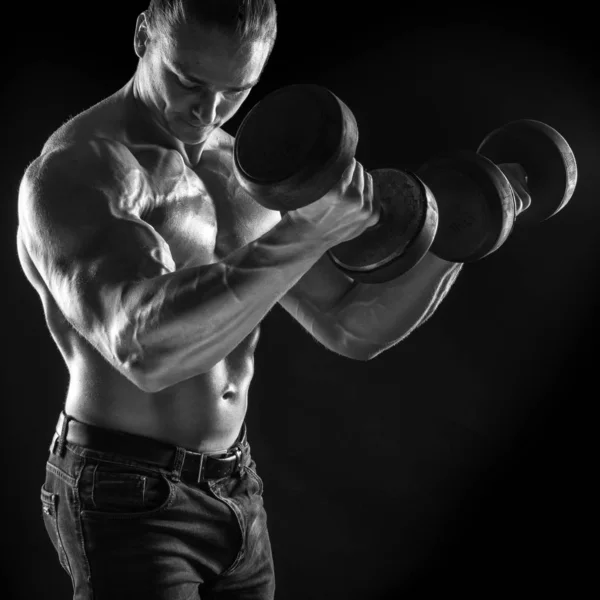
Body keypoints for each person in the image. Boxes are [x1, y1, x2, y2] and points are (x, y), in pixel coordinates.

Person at [16, 0, 530, 598]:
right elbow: (142, 350)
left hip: (236, 488)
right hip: (124, 492)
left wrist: (459, 231)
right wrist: (304, 234)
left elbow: (350, 325)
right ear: (142, 36)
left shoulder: (242, 171)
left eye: (236, 90)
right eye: (187, 80)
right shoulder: (81, 169)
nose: (206, 111)